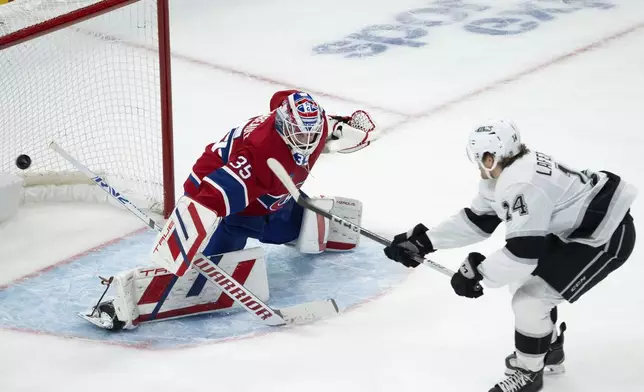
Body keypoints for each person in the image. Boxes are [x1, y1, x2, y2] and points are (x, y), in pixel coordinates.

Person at [82, 89, 377, 330]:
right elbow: (216, 194)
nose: (308, 143)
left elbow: (314, 120)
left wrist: (350, 129)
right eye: (301, 136)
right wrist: (184, 234)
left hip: (273, 195)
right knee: (219, 259)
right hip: (221, 187)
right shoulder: (261, 154)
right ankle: (143, 296)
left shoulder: (309, 124)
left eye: (312, 135)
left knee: (286, 227)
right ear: (285, 126)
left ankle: (275, 224)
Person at [383, 120, 637, 392]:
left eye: (479, 160)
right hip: (579, 230)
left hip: (606, 236)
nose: (478, 167)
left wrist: (478, 274)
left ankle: (529, 372)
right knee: (523, 283)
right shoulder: (508, 174)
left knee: (530, 301)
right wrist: (424, 242)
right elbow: (479, 221)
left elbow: (523, 253)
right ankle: (547, 348)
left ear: (491, 158)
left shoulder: (522, 183)